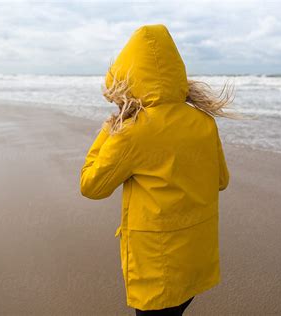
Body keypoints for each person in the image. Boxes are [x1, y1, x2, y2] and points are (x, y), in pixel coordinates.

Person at [80, 24, 239, 315]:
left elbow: (91, 185)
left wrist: (110, 129)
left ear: (128, 77)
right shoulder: (203, 121)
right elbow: (221, 181)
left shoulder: (132, 132)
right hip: (194, 260)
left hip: (158, 266)